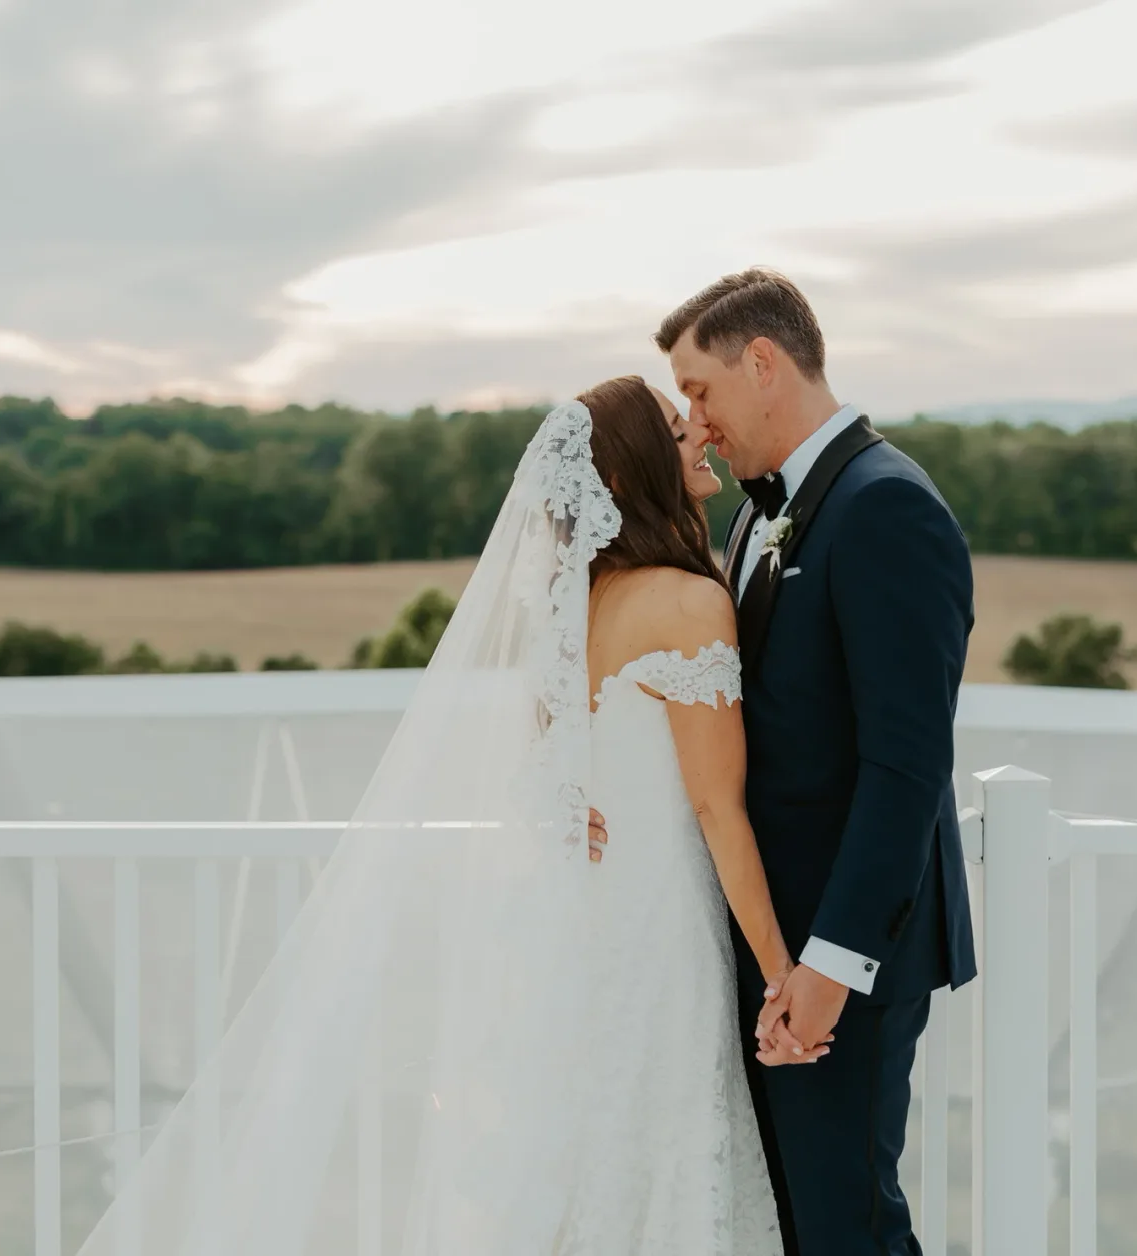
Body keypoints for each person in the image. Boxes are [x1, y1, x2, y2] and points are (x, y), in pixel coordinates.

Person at [78, 372, 804, 1255]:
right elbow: (719, 810)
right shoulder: (688, 604)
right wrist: (781, 976)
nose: (695, 430)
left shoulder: (569, 608)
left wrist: (567, 812)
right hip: (657, 928)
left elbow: (552, 772)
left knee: (587, 1148)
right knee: (661, 1143)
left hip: (583, 928)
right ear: (632, 468)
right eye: (672, 423)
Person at [629, 266, 978, 1256]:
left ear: (764, 363)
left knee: (844, 1226)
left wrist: (829, 963)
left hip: (838, 947)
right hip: (762, 939)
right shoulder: (755, 512)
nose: (691, 420)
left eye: (698, 390)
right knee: (782, 1219)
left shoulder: (885, 508)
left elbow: (903, 765)